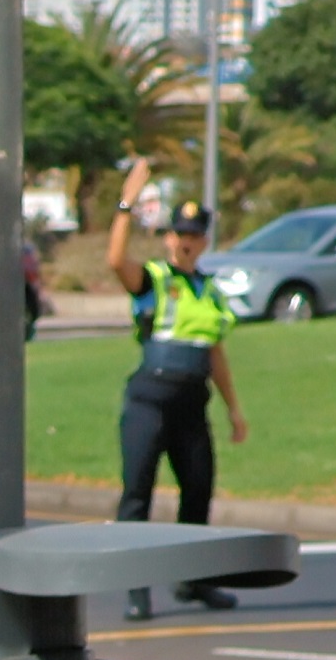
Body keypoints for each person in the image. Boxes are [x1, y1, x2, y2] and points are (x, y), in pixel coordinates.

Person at [104, 167, 249, 620]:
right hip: (151, 397)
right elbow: (115, 261)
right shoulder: (153, 279)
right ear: (168, 238)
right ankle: (135, 585)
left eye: (193, 235)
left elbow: (215, 353)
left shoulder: (210, 292)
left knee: (198, 490)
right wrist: (127, 202)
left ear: (203, 241)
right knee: (138, 492)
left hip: (192, 402)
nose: (185, 242)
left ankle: (194, 579)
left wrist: (233, 409)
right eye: (178, 234)